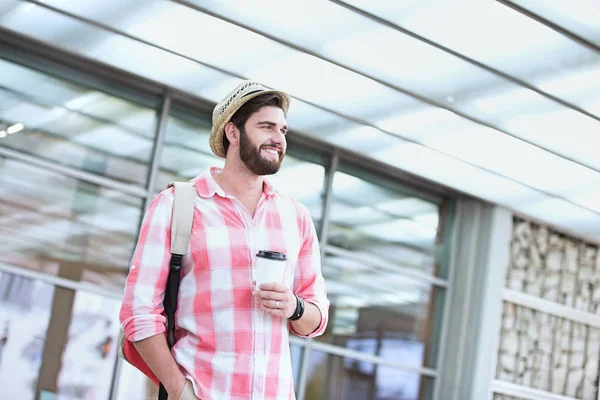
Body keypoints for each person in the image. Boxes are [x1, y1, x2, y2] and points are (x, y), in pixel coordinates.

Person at [119, 80, 329, 400]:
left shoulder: (295, 217)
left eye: (283, 131)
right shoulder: (178, 205)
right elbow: (139, 313)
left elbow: (315, 319)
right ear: (233, 132)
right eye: (266, 127)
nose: (278, 138)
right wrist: (180, 391)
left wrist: (294, 307)